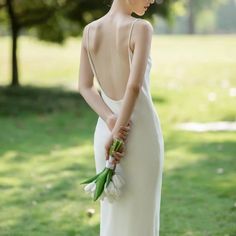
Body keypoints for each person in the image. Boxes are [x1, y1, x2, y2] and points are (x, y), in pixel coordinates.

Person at [78, 0, 164, 235]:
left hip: (106, 130)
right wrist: (119, 130)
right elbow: (134, 86)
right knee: (141, 215)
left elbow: (85, 86)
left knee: (114, 214)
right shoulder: (141, 28)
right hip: (140, 133)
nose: (153, 0)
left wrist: (110, 120)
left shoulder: (89, 31)